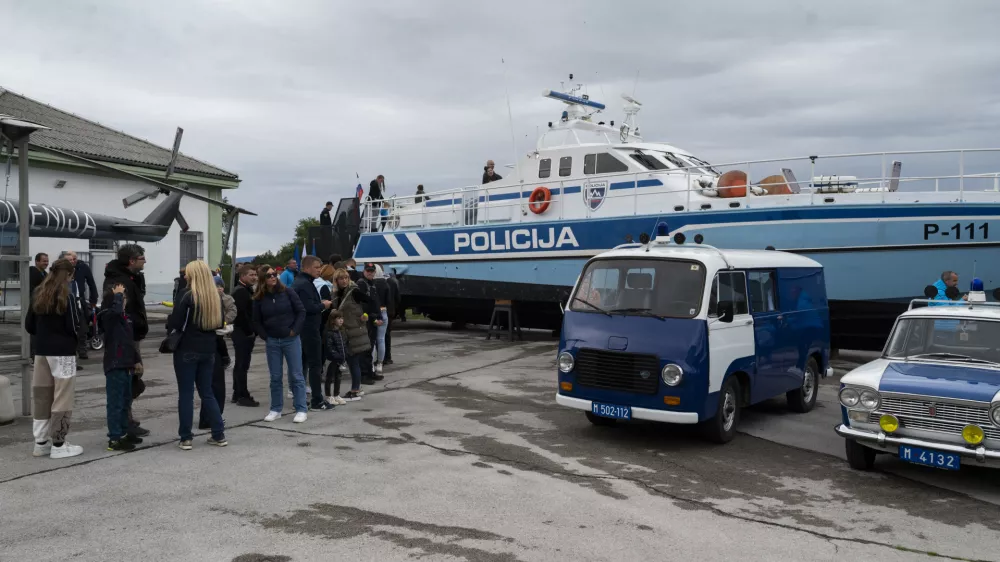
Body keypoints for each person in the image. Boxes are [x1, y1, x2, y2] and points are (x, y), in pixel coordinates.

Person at [25, 258, 82, 459]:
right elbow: (75, 326)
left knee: (42, 396)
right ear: (68, 274)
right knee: (62, 396)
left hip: (41, 351)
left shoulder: (38, 293)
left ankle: (40, 442)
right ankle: (59, 443)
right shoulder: (68, 296)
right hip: (63, 353)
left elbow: (29, 326)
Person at [167, 261, 227, 450]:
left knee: (186, 394)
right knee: (207, 393)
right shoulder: (215, 297)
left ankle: (186, 437)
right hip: (208, 349)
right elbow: (219, 325)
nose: (184, 276)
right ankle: (218, 434)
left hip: (187, 348)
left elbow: (176, 322)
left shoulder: (186, 295)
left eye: (187, 273)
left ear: (193, 275)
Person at [102, 244, 150, 439]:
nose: (145, 261)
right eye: (142, 258)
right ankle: (123, 425)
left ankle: (126, 421)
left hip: (130, 336)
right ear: (131, 260)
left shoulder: (132, 278)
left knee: (132, 381)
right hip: (124, 341)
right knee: (127, 384)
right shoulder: (119, 282)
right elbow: (118, 313)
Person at [253, 264, 309, 423]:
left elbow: (301, 311)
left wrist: (294, 330)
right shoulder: (259, 298)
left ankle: (301, 408)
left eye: (274, 274)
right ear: (263, 279)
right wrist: (266, 336)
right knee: (275, 377)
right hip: (272, 341)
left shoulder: (288, 292)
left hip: (291, 339)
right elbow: (256, 321)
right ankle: (276, 409)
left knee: (296, 375)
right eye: (269, 275)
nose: (273, 277)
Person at [100, 283, 142, 451]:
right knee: (115, 403)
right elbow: (115, 312)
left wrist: (136, 360)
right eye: (122, 299)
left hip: (126, 364)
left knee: (125, 401)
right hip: (115, 364)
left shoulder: (125, 318)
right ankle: (115, 437)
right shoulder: (108, 316)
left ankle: (124, 433)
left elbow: (130, 342)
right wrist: (117, 295)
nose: (124, 302)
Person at [292, 256, 335, 411]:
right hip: (308, 330)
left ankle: (301, 397)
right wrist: (323, 305)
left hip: (305, 329)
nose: (319, 270)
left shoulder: (303, 283)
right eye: (317, 267)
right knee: (315, 364)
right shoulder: (303, 285)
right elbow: (308, 308)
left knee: (302, 365)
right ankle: (317, 399)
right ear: (307, 268)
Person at [198, 276, 236, 430]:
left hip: (206, 346)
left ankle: (208, 417)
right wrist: (221, 325)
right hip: (210, 347)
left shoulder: (199, 298)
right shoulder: (208, 301)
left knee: (209, 386)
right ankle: (212, 418)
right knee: (215, 386)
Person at [331, 268, 371, 401]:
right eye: (341, 278)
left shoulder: (354, 291)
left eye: (346, 278)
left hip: (354, 331)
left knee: (353, 361)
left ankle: (356, 390)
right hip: (344, 331)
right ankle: (356, 388)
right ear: (336, 280)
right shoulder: (336, 293)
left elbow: (371, 302)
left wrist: (364, 315)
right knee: (351, 361)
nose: (344, 281)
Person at [230, 264, 259, 407]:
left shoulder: (245, 290)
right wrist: (251, 331)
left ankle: (237, 392)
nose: (254, 277)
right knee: (242, 365)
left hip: (242, 332)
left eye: (255, 274)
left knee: (241, 364)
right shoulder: (241, 291)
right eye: (251, 275)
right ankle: (242, 394)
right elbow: (241, 315)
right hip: (242, 333)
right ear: (242, 276)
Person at [356, 263, 384, 382]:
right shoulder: (362, 284)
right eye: (368, 271)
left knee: (370, 348)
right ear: (364, 271)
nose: (370, 273)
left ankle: (370, 372)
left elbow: (375, 303)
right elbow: (363, 305)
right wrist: (373, 318)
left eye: (372, 271)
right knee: (365, 349)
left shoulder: (371, 284)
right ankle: (364, 375)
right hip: (367, 321)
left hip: (373, 320)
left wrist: (379, 317)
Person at [323, 310, 348, 405]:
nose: (341, 320)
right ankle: (328, 396)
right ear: (333, 320)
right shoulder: (329, 333)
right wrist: (337, 356)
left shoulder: (341, 331)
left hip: (340, 360)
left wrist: (345, 355)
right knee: (329, 377)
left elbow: (344, 345)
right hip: (332, 360)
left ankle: (336, 394)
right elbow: (329, 348)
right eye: (339, 318)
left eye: (342, 318)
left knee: (338, 377)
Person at [28, 252, 48, 359]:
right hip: (36, 306)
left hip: (43, 306)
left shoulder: (45, 274)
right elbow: (32, 291)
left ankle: (38, 353)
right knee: (35, 331)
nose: (46, 263)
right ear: (37, 261)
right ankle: (34, 354)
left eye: (47, 261)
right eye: (44, 261)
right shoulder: (33, 273)